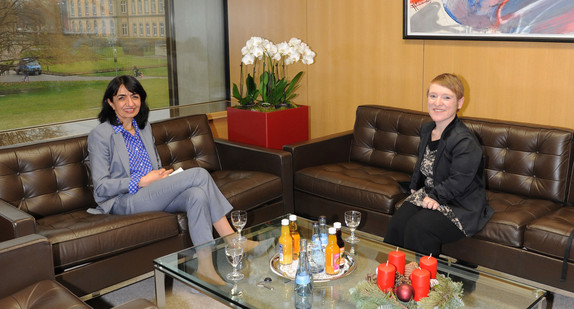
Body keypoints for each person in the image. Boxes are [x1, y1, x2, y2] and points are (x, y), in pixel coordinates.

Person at [87, 75, 252, 285]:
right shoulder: (100, 135)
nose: (129, 103)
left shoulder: (143, 127)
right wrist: (140, 180)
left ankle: (205, 268)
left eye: (134, 96)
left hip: (153, 191)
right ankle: (232, 239)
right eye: (122, 98)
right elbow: (101, 187)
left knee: (197, 195)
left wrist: (161, 176)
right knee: (200, 174)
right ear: (110, 102)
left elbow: (153, 165)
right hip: (124, 199)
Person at [384, 73, 494, 256]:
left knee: (419, 227)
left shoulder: (465, 141)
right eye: (433, 96)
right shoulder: (428, 129)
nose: (437, 103)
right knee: (398, 223)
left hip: (460, 203)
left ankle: (426, 282)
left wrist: (435, 196)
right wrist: (414, 186)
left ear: (459, 103)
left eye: (446, 97)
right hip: (431, 193)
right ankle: (390, 277)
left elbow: (460, 180)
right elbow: (422, 162)